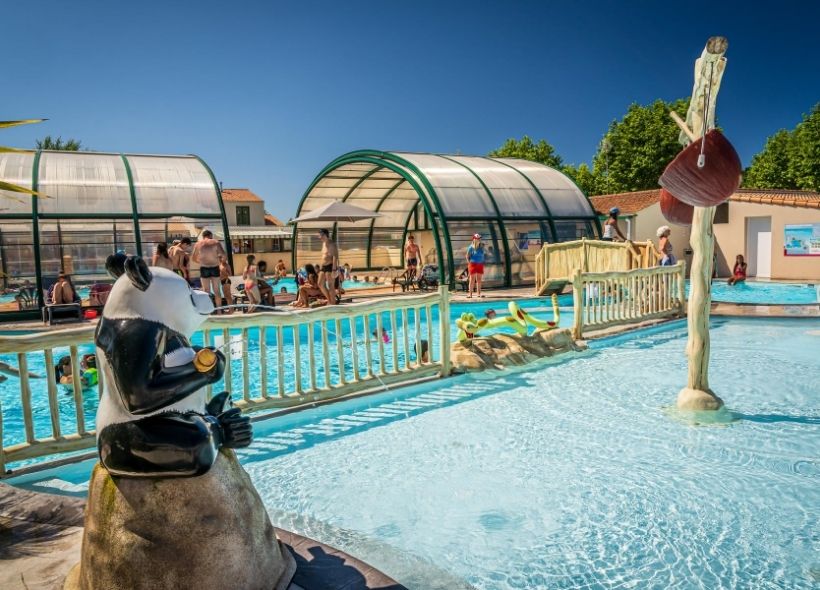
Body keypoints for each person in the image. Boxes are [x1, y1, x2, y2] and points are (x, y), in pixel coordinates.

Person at [192, 230, 228, 310]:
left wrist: (201, 262)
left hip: (204, 267)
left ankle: (208, 311)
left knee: (206, 291)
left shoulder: (198, 244)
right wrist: (222, 262)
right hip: (214, 267)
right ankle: (219, 311)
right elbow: (224, 255)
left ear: (203, 236)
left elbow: (193, 258)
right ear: (210, 235)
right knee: (217, 290)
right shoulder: (215, 242)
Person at [317, 229, 339, 305]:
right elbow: (323, 256)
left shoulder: (332, 244)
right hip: (323, 267)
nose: (319, 237)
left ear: (324, 235)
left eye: (320, 235)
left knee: (330, 286)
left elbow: (335, 256)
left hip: (330, 266)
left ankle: (332, 303)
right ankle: (330, 300)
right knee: (320, 284)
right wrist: (320, 268)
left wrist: (334, 269)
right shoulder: (323, 244)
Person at [466, 233, 486, 298]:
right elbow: (467, 256)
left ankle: (478, 294)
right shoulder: (470, 247)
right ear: (474, 239)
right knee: (472, 279)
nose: (479, 239)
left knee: (479, 279)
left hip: (480, 264)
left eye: (480, 238)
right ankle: (470, 294)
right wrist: (469, 264)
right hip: (473, 264)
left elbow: (483, 254)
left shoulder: (481, 246)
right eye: (478, 238)